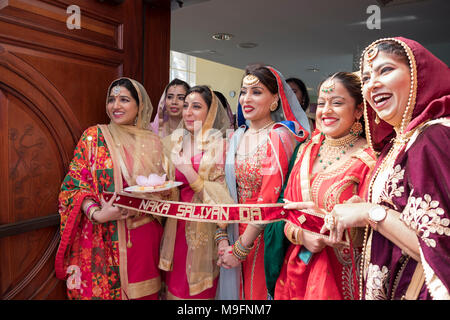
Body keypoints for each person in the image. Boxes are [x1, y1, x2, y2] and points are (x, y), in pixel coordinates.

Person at [324, 37, 450, 300]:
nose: (373, 84)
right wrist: (356, 216)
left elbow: (438, 247)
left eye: (386, 70)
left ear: (418, 76)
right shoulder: (395, 145)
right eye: (368, 77)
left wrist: (369, 212)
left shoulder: (433, 137)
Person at [55, 77, 173, 299]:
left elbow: (167, 190)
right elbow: (73, 185)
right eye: (112, 99)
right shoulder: (93, 137)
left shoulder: (154, 143)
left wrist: (148, 202)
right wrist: (98, 214)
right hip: (105, 235)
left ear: (140, 106)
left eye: (124, 100)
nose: (116, 106)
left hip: (144, 236)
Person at [267, 72, 377, 300]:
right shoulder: (306, 150)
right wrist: (300, 235)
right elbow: (285, 211)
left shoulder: (370, 159)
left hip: (343, 277)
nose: (326, 110)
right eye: (322, 102)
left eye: (337, 103)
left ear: (358, 111)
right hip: (297, 270)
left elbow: (374, 231)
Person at [217, 64, 311, 300]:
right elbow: (225, 189)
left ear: (275, 100)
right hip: (231, 231)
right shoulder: (238, 135)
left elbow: (269, 199)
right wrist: (221, 238)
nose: (246, 99)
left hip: (262, 236)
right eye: (243, 91)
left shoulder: (279, 136)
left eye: (256, 92)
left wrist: (240, 249)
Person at [159, 85, 234, 299]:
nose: (188, 112)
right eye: (185, 106)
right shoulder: (176, 143)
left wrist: (189, 172)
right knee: (174, 289)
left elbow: (223, 196)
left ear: (210, 112)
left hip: (204, 232)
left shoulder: (221, 146)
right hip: (175, 229)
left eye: (196, 107)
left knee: (198, 295)